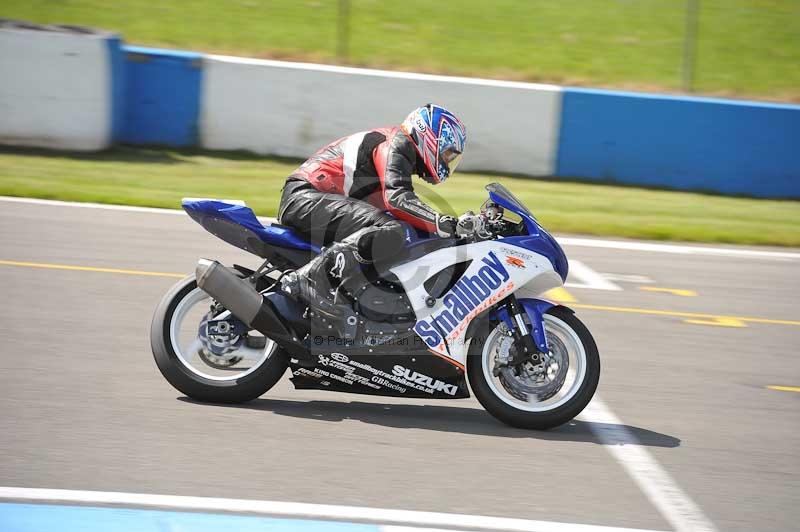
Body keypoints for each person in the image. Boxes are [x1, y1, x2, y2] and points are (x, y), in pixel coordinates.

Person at [278, 104, 467, 311]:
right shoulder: (398, 142)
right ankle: (306, 279)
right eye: (447, 153)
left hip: (316, 201)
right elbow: (398, 199)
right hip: (306, 197)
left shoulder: (403, 153)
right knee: (394, 230)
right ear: (430, 136)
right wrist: (442, 222)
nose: (447, 161)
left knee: (398, 235)